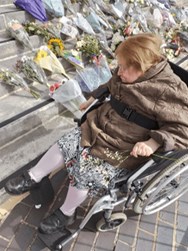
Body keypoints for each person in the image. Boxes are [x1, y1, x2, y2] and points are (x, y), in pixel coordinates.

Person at [5, 33, 188, 235]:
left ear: (143, 67)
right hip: (99, 124)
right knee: (67, 142)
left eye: (125, 68)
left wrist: (153, 143)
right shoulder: (127, 72)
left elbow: (182, 128)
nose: (120, 72)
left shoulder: (170, 89)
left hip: (126, 146)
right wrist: (95, 95)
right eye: (120, 66)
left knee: (85, 172)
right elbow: (112, 83)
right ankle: (33, 176)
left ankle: (67, 212)